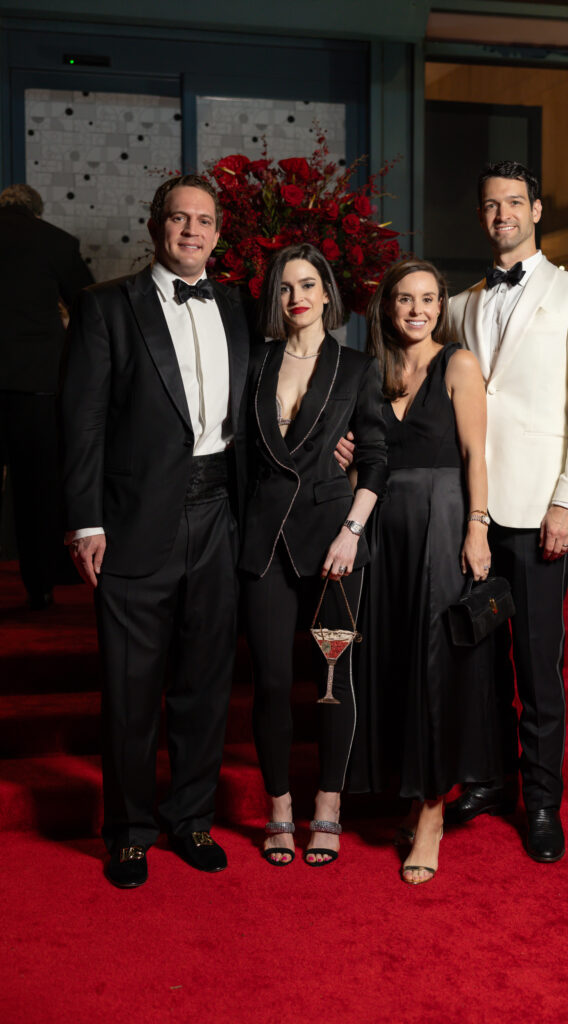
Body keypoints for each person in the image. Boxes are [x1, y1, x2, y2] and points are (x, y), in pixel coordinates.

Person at [60, 174, 251, 888]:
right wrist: (85, 522)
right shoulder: (106, 306)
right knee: (132, 688)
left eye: (204, 220)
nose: (191, 231)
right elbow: (80, 422)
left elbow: (259, 404)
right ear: (155, 226)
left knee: (205, 684)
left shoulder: (235, 302)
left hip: (218, 517)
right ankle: (131, 830)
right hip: (136, 522)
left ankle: (191, 818)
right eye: (179, 219)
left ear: (218, 233)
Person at [447, 160, 568, 862]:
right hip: (470, 511)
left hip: (541, 508)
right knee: (476, 660)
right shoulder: (457, 306)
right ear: (480, 214)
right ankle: (485, 782)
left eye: (514, 203)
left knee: (537, 667)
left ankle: (542, 800)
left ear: (536, 211)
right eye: (490, 204)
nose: (502, 215)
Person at [346, 258, 499, 886]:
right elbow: (364, 458)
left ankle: (432, 813)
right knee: (394, 660)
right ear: (387, 308)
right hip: (385, 525)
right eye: (405, 299)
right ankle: (407, 792)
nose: (418, 310)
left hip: (443, 523)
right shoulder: (372, 372)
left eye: (430, 299)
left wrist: (477, 526)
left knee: (435, 665)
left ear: (442, 307)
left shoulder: (458, 364)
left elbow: (474, 454)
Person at [239, 243, 387, 867]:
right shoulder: (255, 362)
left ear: (328, 294)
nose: (296, 296)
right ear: (275, 299)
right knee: (271, 681)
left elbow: (377, 456)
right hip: (265, 543)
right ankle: (279, 807)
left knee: (332, 681)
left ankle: (327, 804)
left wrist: (352, 530)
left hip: (334, 544)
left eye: (308, 284)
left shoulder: (356, 367)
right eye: (284, 287)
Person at [0, 183, 93, 608]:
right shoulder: (54, 240)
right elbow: (89, 306)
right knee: (36, 489)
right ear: (36, 212)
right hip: (36, 382)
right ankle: (40, 587)